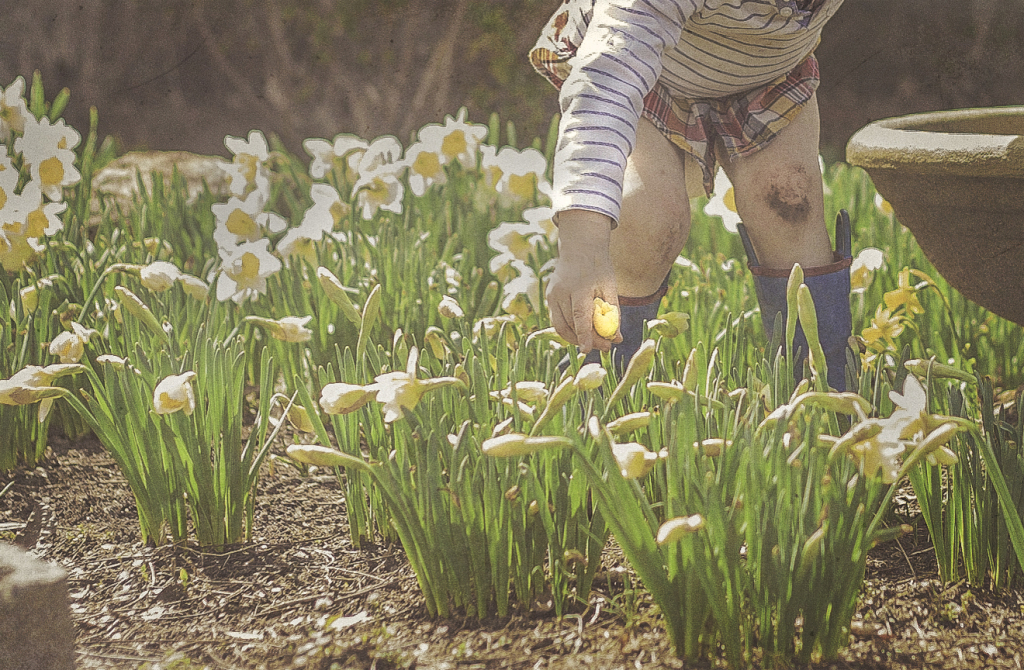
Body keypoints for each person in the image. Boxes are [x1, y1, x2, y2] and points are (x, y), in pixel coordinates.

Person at [530, 0, 853, 391]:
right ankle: (598, 396)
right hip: (649, 75)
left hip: (766, 68)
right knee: (648, 221)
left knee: (789, 199)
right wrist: (582, 245)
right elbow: (609, 83)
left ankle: (826, 401)